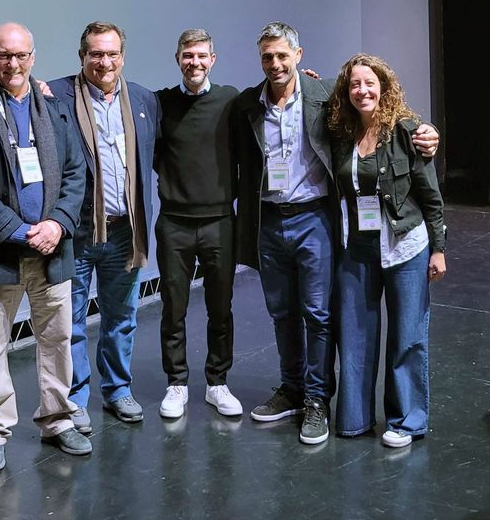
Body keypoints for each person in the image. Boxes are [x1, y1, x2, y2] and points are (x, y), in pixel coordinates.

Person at [230, 22, 439, 445]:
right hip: (286, 225)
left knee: (328, 317)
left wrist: (430, 134)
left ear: (299, 56)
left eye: (282, 55)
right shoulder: (251, 106)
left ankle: (329, 402)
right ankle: (309, 398)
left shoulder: (343, 103)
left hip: (330, 224)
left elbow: (424, 176)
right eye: (267, 56)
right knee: (293, 316)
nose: (275, 63)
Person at [0, 22, 90, 473]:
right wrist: (17, 229)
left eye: (21, 55)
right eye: (4, 55)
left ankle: (57, 419)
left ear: (33, 57)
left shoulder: (55, 106)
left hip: (52, 250)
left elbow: (75, 172)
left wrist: (57, 223)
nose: (13, 63)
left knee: (57, 340)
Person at [327, 53, 445, 448]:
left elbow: (431, 197)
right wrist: (308, 76)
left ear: (384, 87)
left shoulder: (408, 131)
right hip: (357, 248)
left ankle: (406, 421)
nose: (362, 91)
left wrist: (439, 250)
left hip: (406, 245)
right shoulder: (342, 134)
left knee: (407, 337)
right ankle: (356, 420)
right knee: (355, 337)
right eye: (354, 85)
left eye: (369, 83)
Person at [48, 22, 160, 431]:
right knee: (70, 321)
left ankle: (116, 390)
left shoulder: (144, 100)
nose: (104, 61)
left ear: (123, 57)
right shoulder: (56, 96)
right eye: (96, 53)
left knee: (121, 316)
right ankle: (75, 398)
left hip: (124, 233)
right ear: (82, 57)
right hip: (75, 233)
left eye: (112, 53)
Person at [154, 29, 242, 419]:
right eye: (188, 56)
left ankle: (217, 383)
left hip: (220, 221)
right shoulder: (160, 103)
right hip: (174, 222)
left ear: (213, 59)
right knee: (173, 307)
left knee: (220, 307)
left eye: (202, 56)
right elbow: (155, 155)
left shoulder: (230, 101)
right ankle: (176, 383)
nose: (195, 62)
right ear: (178, 59)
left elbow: (276, 100)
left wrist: (313, 85)